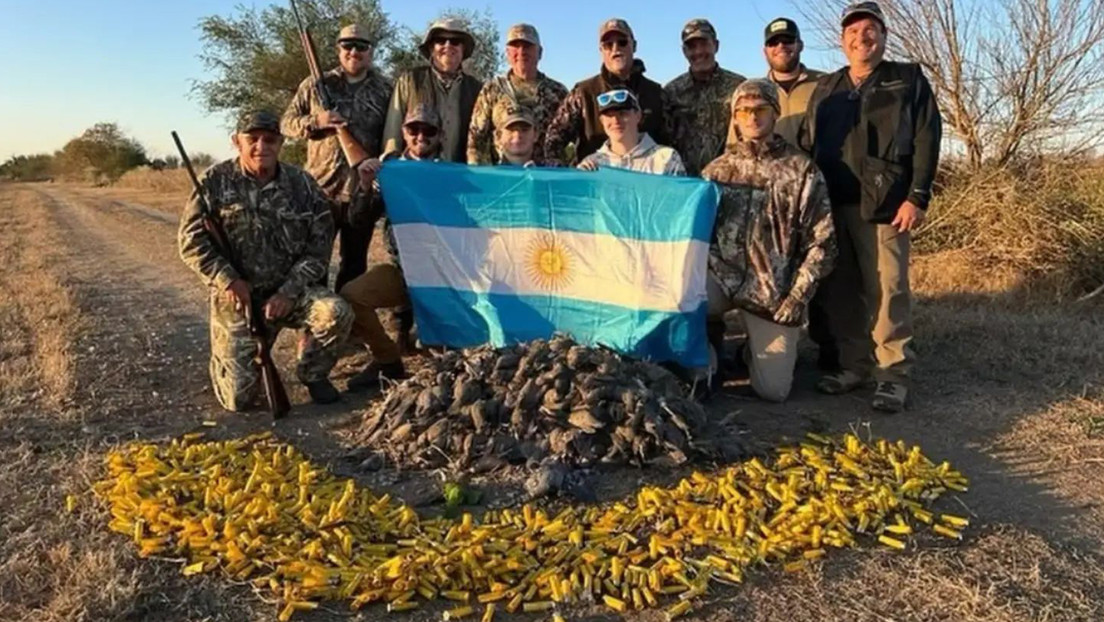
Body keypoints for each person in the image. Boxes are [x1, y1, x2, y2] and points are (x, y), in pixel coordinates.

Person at [800, 1, 942, 412]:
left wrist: (917, 196)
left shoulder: (907, 78)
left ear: (883, 35)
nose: (861, 38)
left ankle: (893, 373)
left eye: (869, 30)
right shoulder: (828, 86)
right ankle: (854, 366)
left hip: (886, 205)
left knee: (888, 288)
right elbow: (809, 144)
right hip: (832, 204)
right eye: (852, 32)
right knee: (841, 288)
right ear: (841, 41)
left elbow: (927, 137)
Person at [178, 111, 353, 410]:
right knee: (239, 400)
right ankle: (228, 360)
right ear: (237, 142)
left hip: (289, 294)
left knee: (336, 312)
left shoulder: (303, 184)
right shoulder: (214, 181)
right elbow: (190, 241)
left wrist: (289, 291)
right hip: (238, 298)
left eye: (270, 139)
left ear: (280, 143)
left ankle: (313, 373)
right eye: (253, 139)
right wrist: (228, 280)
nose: (262, 146)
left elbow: (319, 250)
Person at [703, 81, 836, 402]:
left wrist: (797, 297)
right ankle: (703, 359)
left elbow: (823, 243)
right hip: (721, 280)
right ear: (735, 118)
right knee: (678, 302)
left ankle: (752, 352)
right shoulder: (716, 171)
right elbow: (693, 235)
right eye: (743, 111)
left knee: (774, 391)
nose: (752, 117)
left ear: (775, 113)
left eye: (760, 109)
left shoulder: (802, 170)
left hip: (771, 293)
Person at [281, 24, 392, 292]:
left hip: (361, 193)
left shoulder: (386, 90)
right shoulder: (315, 84)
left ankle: (349, 314)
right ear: (338, 49)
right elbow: (285, 124)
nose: (354, 51)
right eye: (347, 45)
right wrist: (315, 122)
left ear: (371, 52)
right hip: (320, 192)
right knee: (314, 263)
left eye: (361, 46)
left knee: (354, 265)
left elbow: (392, 137)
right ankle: (317, 316)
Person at [340, 105, 444, 391]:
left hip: (446, 276)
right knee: (352, 296)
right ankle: (387, 360)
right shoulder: (389, 172)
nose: (421, 136)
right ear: (404, 133)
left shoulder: (452, 174)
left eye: (429, 130)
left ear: (439, 135)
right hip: (403, 270)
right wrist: (365, 185)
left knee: (444, 353)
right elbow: (358, 221)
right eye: (414, 129)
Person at [759, 17, 834, 370]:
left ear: (800, 45)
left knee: (821, 270)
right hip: (771, 203)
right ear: (765, 50)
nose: (781, 47)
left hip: (816, 192)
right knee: (773, 276)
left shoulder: (826, 85)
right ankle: (763, 349)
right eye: (774, 42)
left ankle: (830, 349)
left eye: (788, 40)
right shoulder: (755, 91)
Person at [544, 18, 670, 166]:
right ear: (601, 51)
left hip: (646, 178)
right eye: (608, 45)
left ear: (634, 45)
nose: (615, 49)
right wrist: (568, 174)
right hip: (594, 179)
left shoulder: (656, 94)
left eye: (622, 42)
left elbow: (674, 142)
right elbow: (554, 139)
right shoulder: (583, 93)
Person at [382, 19, 483, 162]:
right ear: (431, 48)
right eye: (440, 40)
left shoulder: (476, 88)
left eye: (455, 41)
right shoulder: (410, 80)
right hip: (416, 170)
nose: (448, 45)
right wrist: (391, 162)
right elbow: (393, 130)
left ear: (463, 49)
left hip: (460, 171)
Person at [467, 24, 568, 165]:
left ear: (540, 52)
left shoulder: (558, 92)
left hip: (546, 174)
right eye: (515, 46)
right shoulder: (493, 89)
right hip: (503, 174)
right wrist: (481, 173)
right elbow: (476, 140)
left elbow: (572, 138)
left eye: (527, 46)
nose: (521, 51)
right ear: (507, 53)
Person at [664, 18, 746, 176]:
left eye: (704, 44)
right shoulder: (671, 92)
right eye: (691, 47)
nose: (699, 52)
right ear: (684, 51)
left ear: (716, 45)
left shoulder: (739, 87)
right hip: (686, 183)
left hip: (730, 180)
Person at [578, 89, 685, 175]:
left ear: (638, 116)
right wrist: (581, 178)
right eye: (609, 115)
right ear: (602, 121)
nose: (616, 121)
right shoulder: (592, 164)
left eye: (623, 114)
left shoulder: (666, 159)